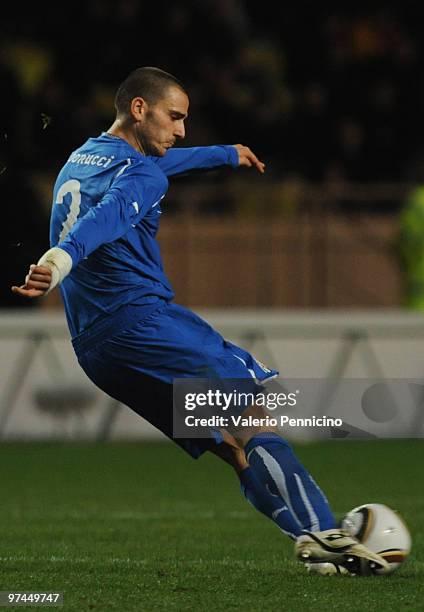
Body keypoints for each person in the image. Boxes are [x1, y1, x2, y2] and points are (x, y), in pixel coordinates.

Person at [12, 66, 387, 575]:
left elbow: (161, 165)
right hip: (143, 324)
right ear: (140, 109)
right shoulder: (140, 175)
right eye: (175, 117)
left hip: (96, 350)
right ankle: (323, 534)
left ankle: (313, 541)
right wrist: (59, 259)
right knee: (254, 410)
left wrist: (225, 154)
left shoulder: (81, 158)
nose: (182, 130)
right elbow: (110, 216)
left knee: (233, 448)